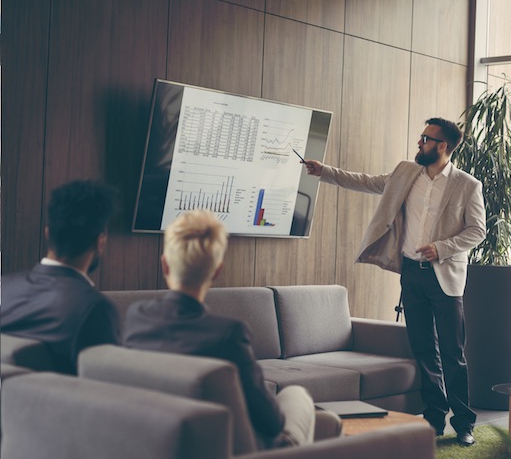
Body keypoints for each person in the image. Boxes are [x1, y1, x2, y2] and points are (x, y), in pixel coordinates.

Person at [303, 117, 486, 447]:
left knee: (452, 353)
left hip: (445, 278)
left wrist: (442, 248)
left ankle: (464, 423)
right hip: (412, 273)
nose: (419, 143)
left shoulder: (467, 184)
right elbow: (369, 181)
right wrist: (324, 172)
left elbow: (477, 231)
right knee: (423, 350)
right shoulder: (406, 172)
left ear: (443, 146)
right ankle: (433, 417)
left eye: (426, 138)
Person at [122, 210, 315, 449]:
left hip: (163, 442)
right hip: (237, 449)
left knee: (326, 422)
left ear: (165, 265)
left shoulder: (137, 318)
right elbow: (272, 422)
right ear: (217, 271)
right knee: (297, 395)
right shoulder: (227, 334)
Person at [1, 179, 120, 374]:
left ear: (48, 233)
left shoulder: (4, 286)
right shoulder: (94, 308)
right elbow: (106, 383)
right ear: (100, 242)